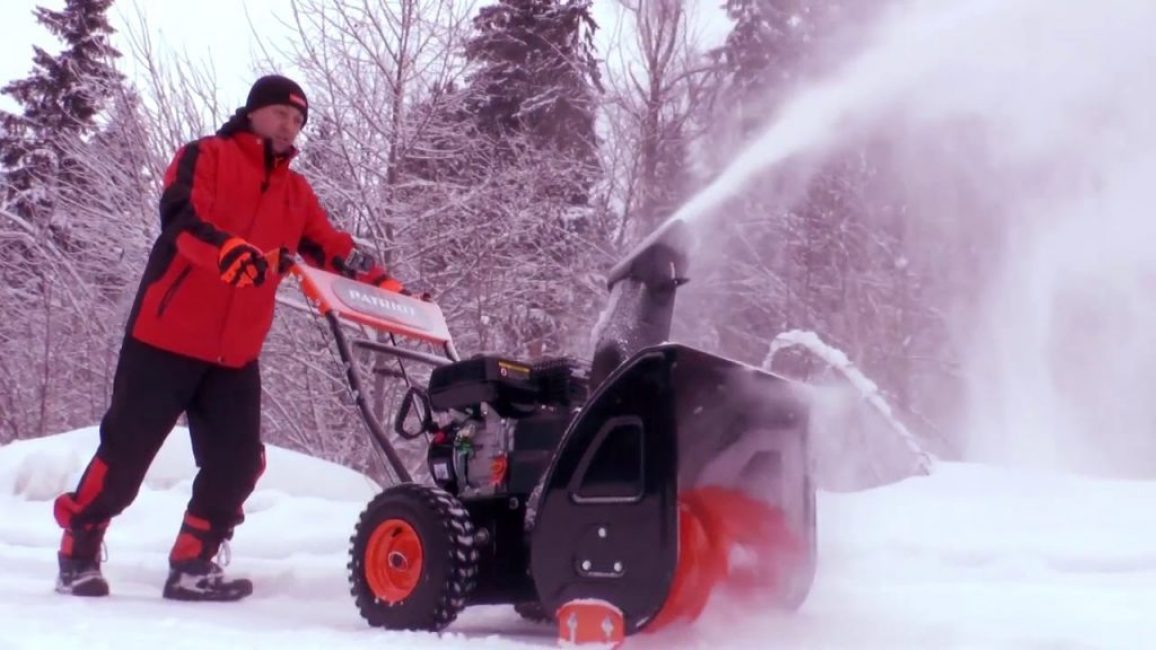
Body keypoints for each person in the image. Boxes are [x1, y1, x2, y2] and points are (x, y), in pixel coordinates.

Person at [52, 74, 409, 601]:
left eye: (298, 120)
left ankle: (193, 564)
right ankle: (78, 548)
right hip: (165, 337)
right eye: (281, 114)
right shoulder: (205, 156)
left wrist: (386, 285)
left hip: (233, 354)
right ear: (254, 112)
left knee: (238, 463)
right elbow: (180, 218)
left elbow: (330, 246)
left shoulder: (296, 193)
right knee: (125, 455)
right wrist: (225, 250)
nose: (290, 126)